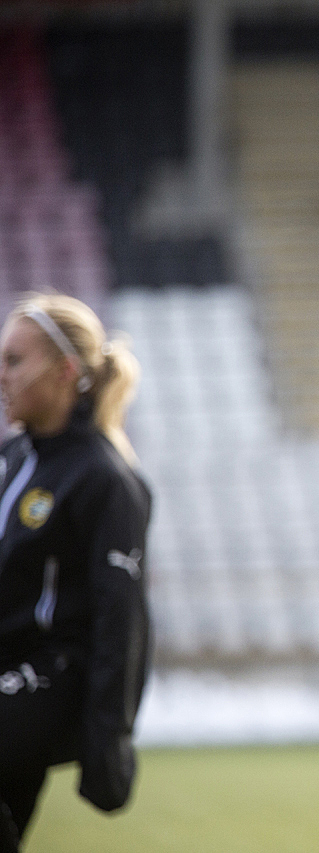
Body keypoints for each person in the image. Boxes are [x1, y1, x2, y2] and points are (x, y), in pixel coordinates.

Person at [0, 293, 151, 852]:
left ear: (66, 370)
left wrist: (110, 738)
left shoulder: (104, 479)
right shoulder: (15, 458)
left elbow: (122, 617)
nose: (2, 375)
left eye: (15, 360)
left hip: (53, 676)